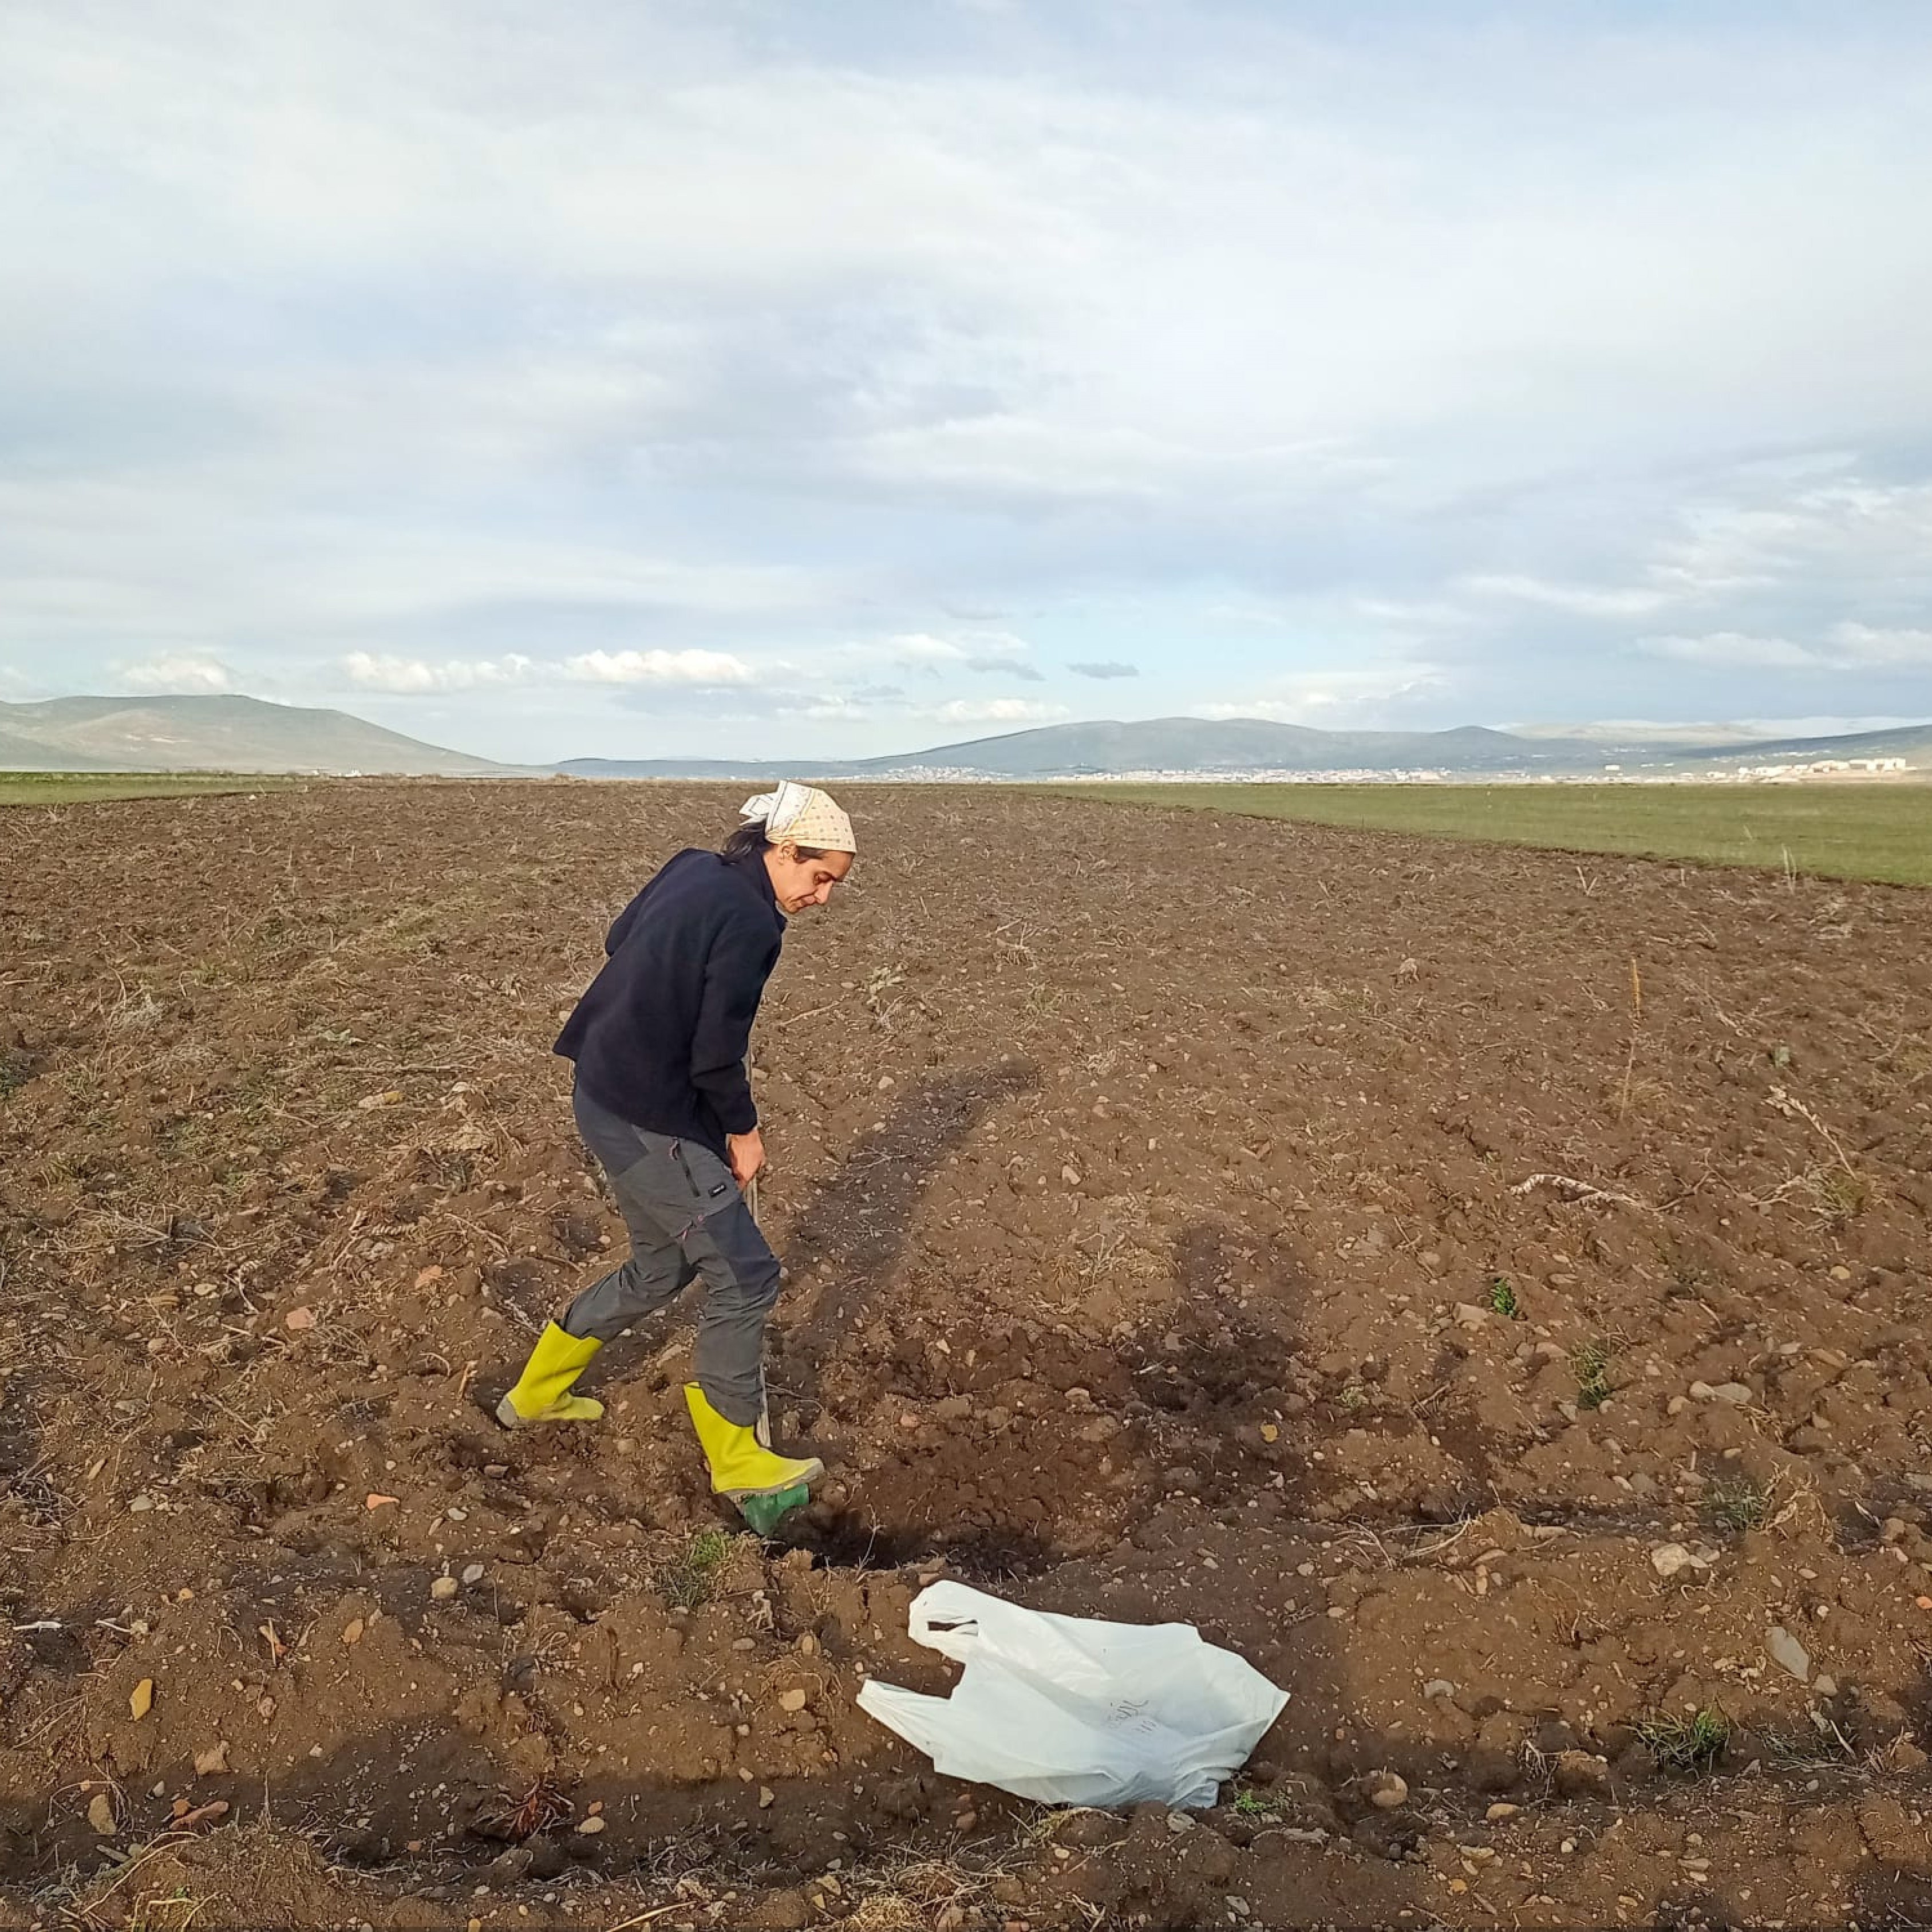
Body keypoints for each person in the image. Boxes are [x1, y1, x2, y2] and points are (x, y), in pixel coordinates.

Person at [496, 780, 856, 1520]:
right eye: (820, 878)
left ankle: (534, 1397)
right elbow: (717, 1055)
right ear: (784, 851)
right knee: (747, 1277)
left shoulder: (693, 865)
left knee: (659, 1269)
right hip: (646, 1113)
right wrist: (744, 1133)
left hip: (603, 1090)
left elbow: (617, 939)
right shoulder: (754, 923)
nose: (823, 898)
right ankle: (738, 1461)